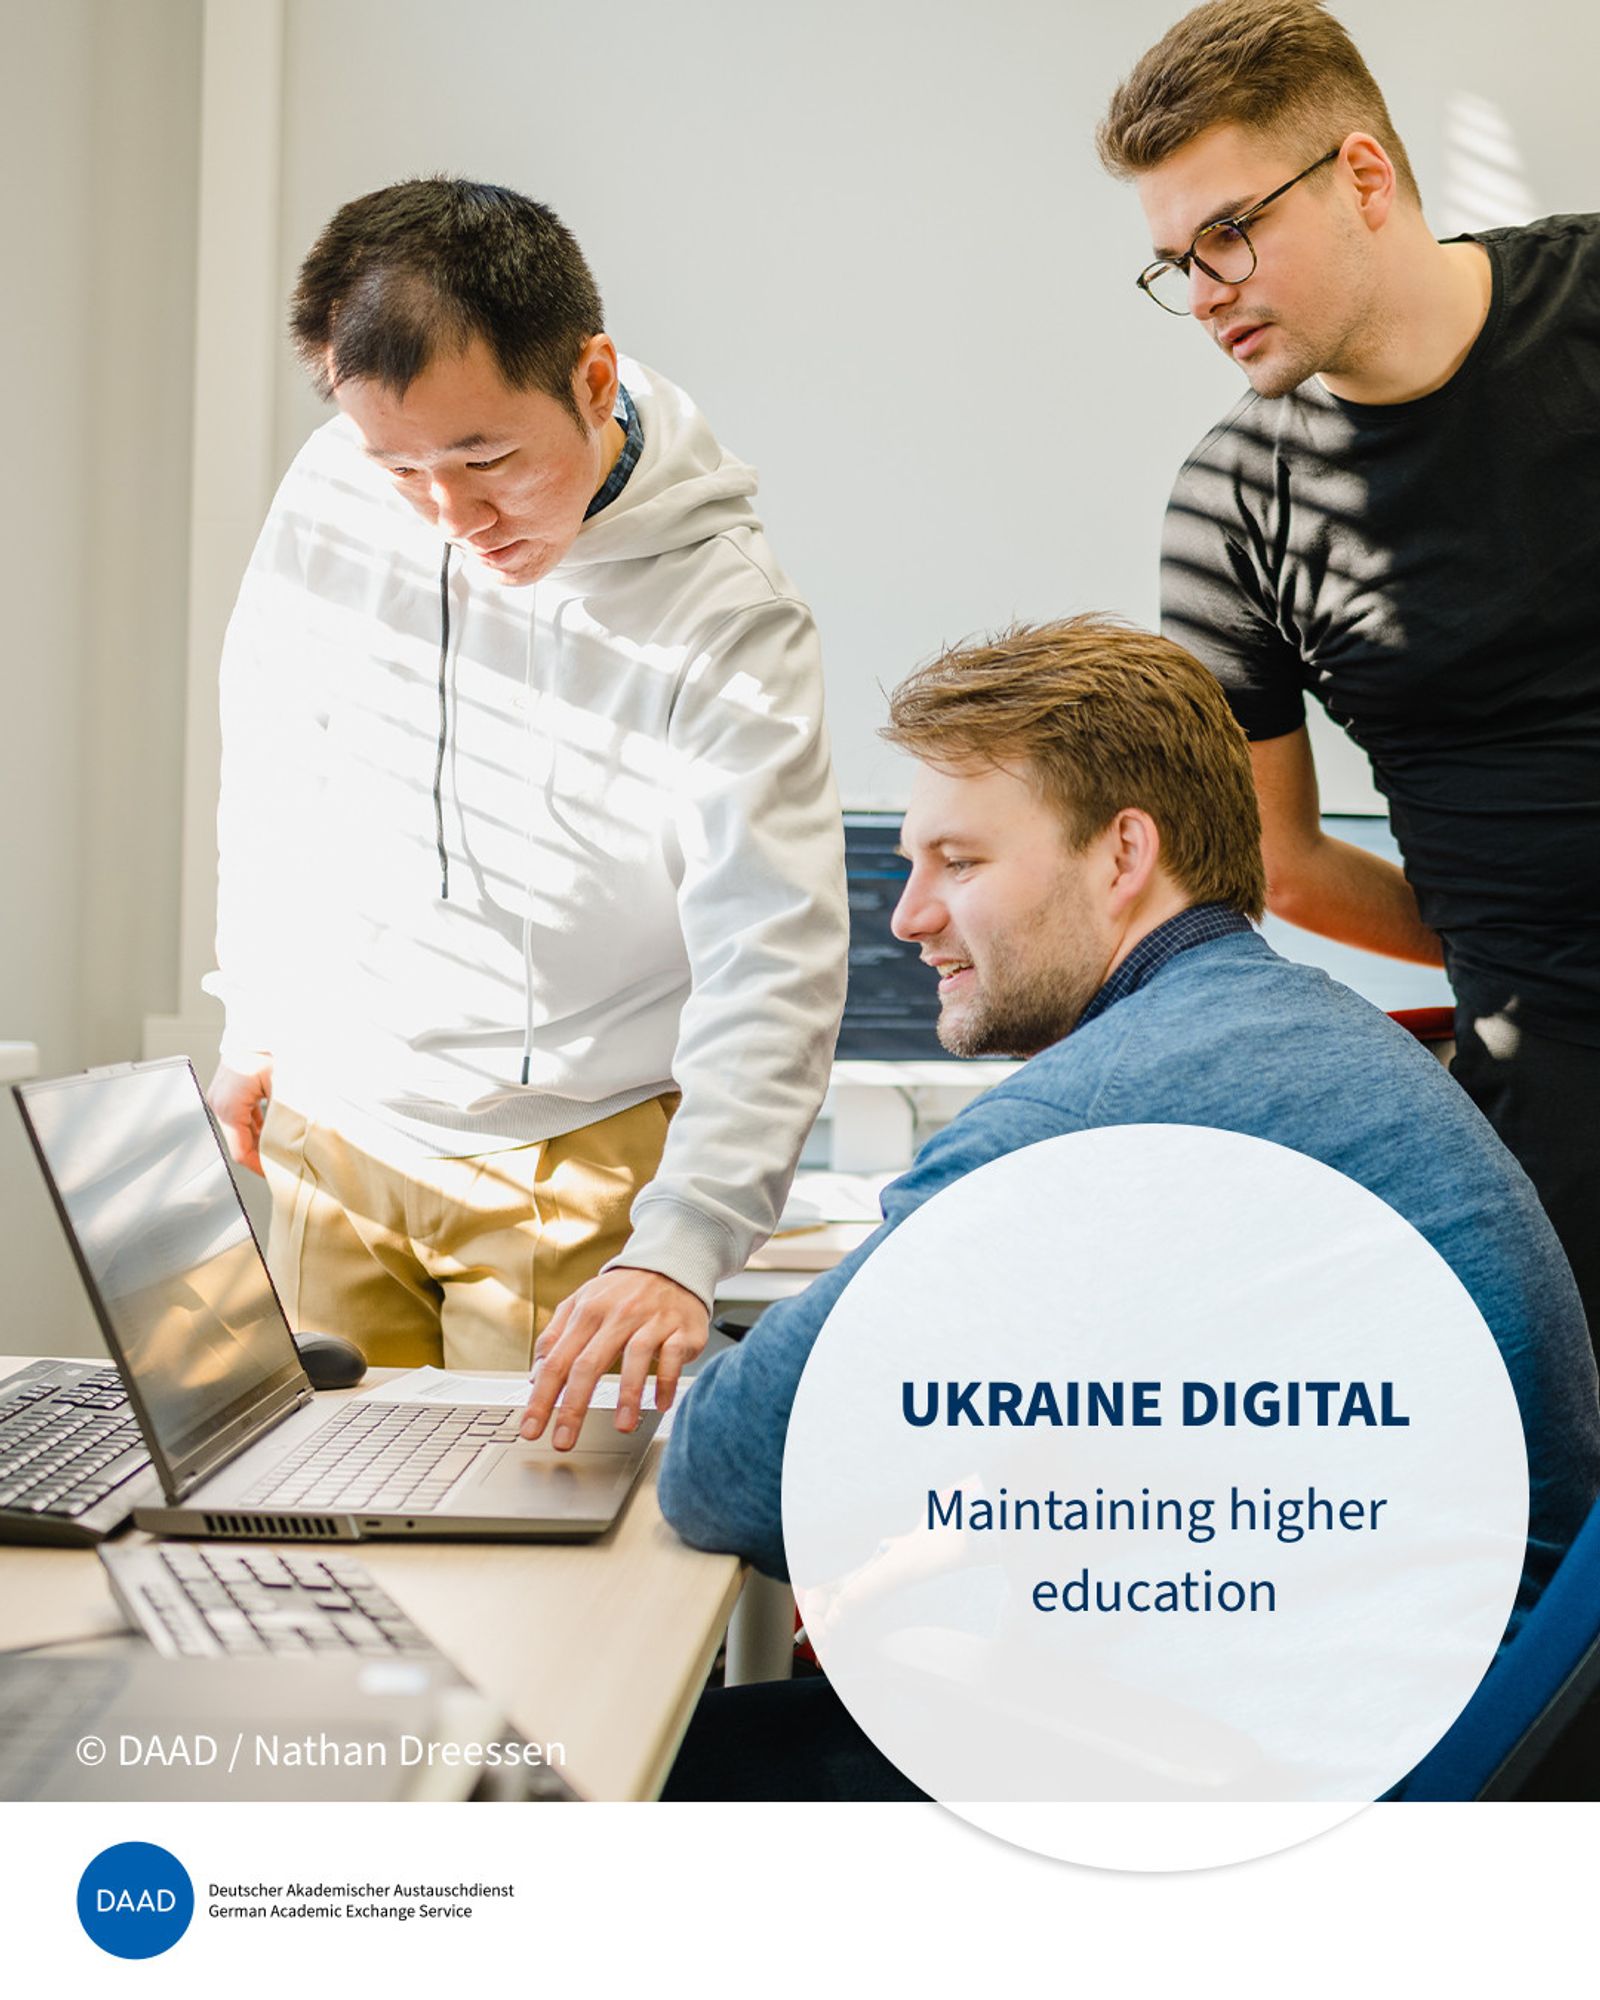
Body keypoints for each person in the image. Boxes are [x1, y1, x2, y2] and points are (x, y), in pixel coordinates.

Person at [655, 617, 1600, 1797]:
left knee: (624, 1776)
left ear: (1121, 856)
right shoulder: (1276, 1029)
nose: (906, 915)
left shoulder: (1120, 1097)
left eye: (958, 861)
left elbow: (727, 1467)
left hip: (1287, 1781)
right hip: (1380, 1726)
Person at [206, 178, 847, 1438]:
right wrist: (257, 1013)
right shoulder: (334, 481)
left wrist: (682, 1238)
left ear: (592, 378)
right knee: (294, 1526)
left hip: (579, 1150)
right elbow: (278, 754)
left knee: (535, 1578)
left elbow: (772, 948)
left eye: (488, 456)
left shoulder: (722, 612)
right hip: (337, 1127)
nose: (452, 515)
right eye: (402, 467)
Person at [1095, 0, 1600, 1352]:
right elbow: (1277, 855)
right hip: (1552, 1092)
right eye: (1173, 263)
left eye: (1228, 233)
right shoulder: (1230, 510)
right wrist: (1515, 950)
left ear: (1364, 176)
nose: (1202, 292)